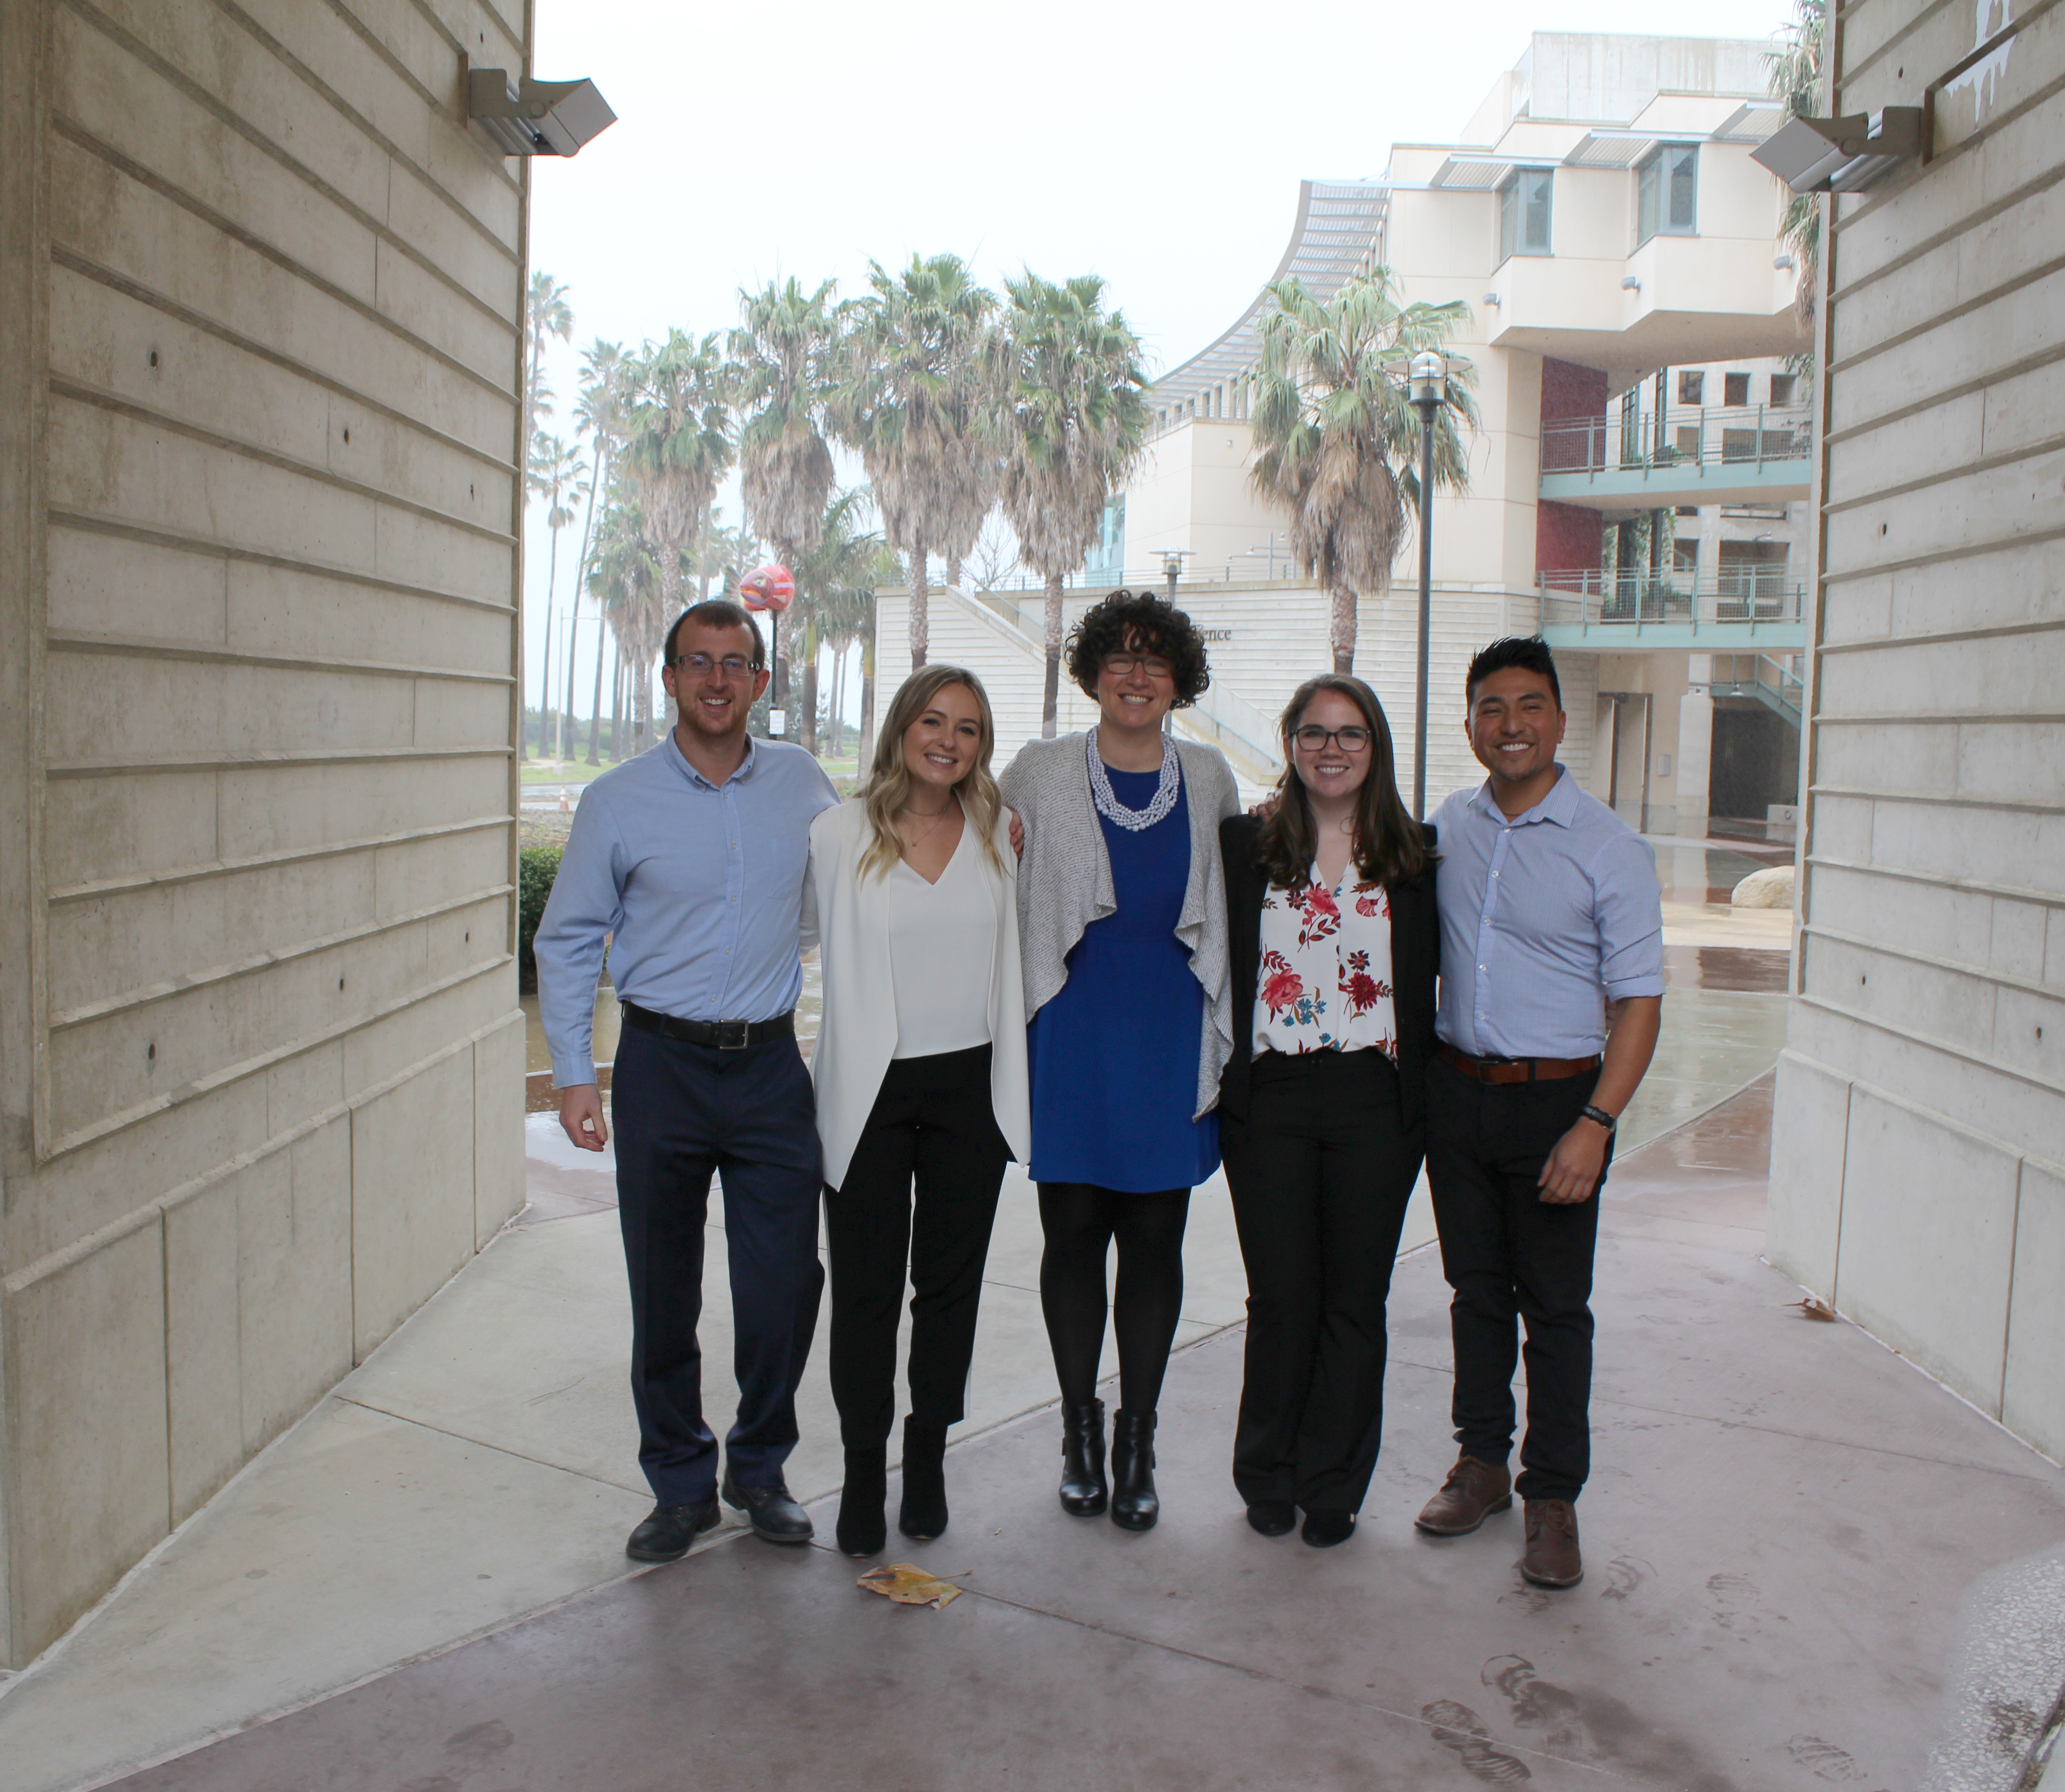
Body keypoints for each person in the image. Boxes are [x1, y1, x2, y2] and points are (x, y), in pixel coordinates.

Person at [534, 599, 838, 1563]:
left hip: (769, 1071)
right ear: (668, 679)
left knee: (785, 1282)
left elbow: (874, 877)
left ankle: (758, 1467)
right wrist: (578, 1078)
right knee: (662, 1288)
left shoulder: (803, 787)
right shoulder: (617, 800)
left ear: (759, 682)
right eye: (698, 663)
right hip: (661, 1066)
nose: (717, 680)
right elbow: (571, 936)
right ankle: (678, 1483)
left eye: (735, 663)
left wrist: (991, 838)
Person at [1413, 636, 1664, 1590]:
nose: (1510, 725)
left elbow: (1639, 1000)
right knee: (1477, 1295)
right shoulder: (1449, 825)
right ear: (1472, 722)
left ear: (1559, 719)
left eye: (1528, 706)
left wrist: (1595, 1126)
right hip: (1456, 1096)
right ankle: (1481, 1463)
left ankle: (1551, 1495)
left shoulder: (1609, 846)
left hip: (1559, 1103)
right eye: (1490, 708)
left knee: (1555, 1309)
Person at [1001, 590, 1240, 1533]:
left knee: (1154, 1248)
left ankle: (1139, 1440)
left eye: (1156, 661)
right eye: (1120, 658)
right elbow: (978, 851)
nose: (1137, 676)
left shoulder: (1212, 776)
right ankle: (1079, 1436)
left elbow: (1240, 887)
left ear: (1180, 679)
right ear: (1093, 671)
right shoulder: (1039, 770)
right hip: (1068, 1034)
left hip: (1170, 1041)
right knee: (1071, 1243)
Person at [808, 665, 1031, 1559]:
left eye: (969, 728)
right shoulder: (835, 833)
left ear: (982, 745)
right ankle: (865, 1468)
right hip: (869, 1090)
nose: (949, 740)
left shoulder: (1000, 834)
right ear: (902, 729)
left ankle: (928, 1456)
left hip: (968, 1089)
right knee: (863, 1294)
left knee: (948, 1290)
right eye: (933, 721)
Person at [1217, 675, 1439, 1549]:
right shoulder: (1246, 845)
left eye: (1351, 734)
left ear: (1375, 747)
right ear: (1292, 743)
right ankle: (1267, 1473)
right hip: (1271, 1097)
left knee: (1355, 1301)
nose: (1332, 749)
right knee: (1282, 1298)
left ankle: (1334, 1483)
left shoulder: (1415, 857)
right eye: (1314, 733)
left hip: (1375, 1102)